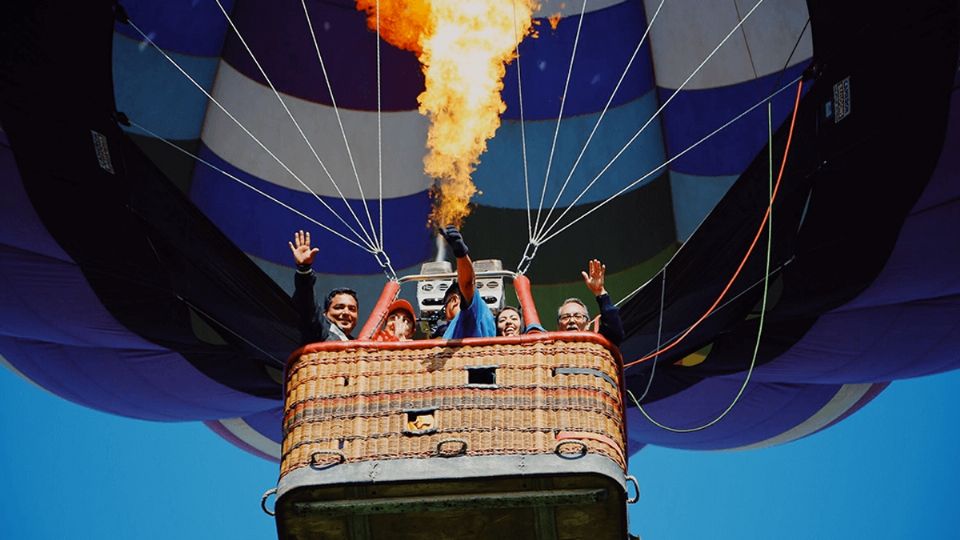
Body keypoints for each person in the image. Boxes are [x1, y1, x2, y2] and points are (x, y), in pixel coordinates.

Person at [289, 230, 359, 343]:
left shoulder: (359, 345)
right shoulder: (320, 330)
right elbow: (306, 303)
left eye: (352, 309)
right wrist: (304, 268)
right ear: (325, 314)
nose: (346, 312)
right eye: (339, 307)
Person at [439, 226, 496, 339]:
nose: (444, 315)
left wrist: (461, 254)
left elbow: (467, 284)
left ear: (454, 301)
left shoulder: (465, 318)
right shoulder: (484, 316)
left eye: (445, 307)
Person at [556, 259, 624, 347]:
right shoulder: (548, 350)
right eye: (565, 317)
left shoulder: (597, 346)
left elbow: (615, 331)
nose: (572, 321)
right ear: (558, 326)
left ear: (588, 324)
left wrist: (600, 292)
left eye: (577, 316)